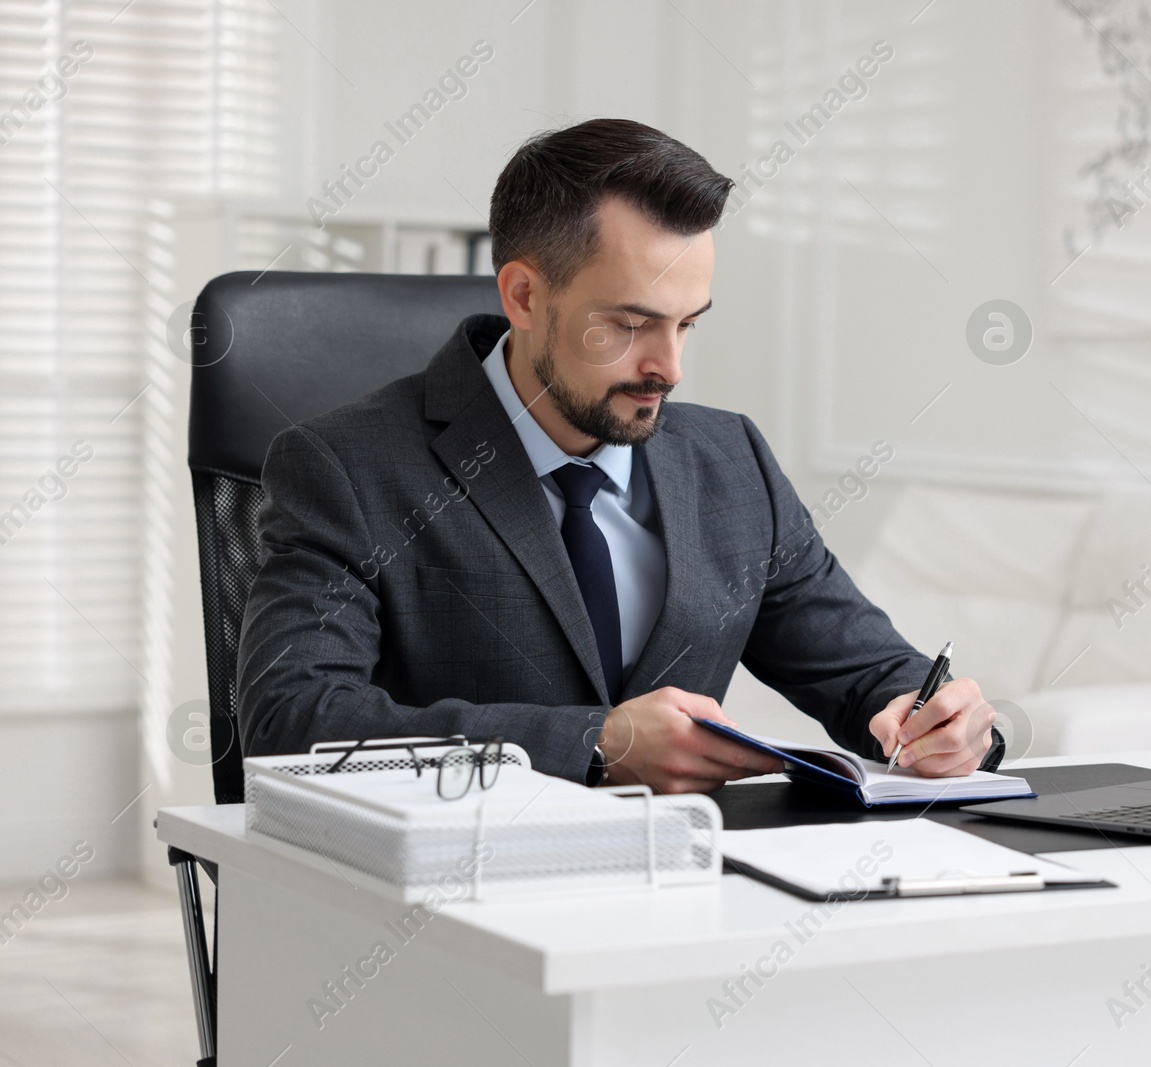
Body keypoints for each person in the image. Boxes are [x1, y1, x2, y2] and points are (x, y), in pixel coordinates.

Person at [237, 118, 1000, 793]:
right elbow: (293, 719)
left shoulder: (731, 463)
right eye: (630, 324)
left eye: (688, 324)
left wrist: (943, 722)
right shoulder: (345, 466)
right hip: (449, 913)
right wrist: (597, 745)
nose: (668, 368)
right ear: (526, 296)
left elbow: (868, 674)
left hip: (688, 907)